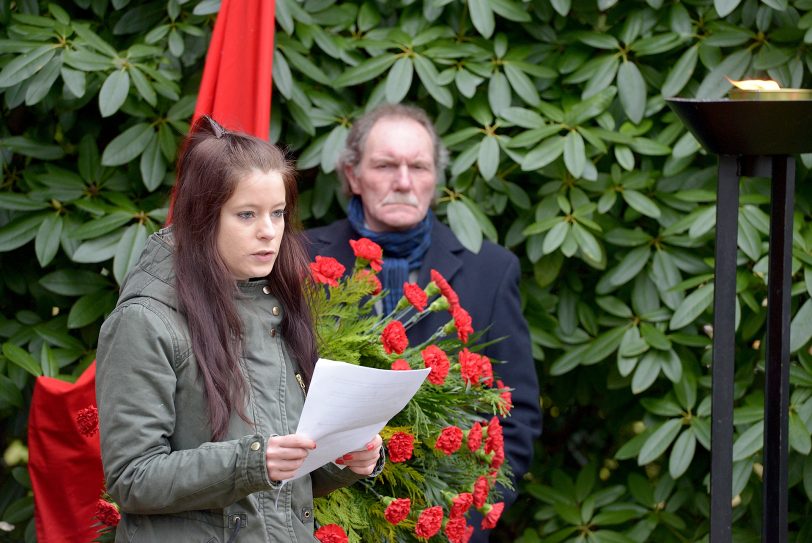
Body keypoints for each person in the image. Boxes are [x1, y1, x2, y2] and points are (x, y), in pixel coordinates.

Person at [96, 116, 383, 542]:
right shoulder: (145, 321)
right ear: (202, 218)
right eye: (246, 214)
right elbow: (132, 479)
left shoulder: (275, 308)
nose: (268, 232)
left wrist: (342, 459)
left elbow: (279, 488)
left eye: (278, 213)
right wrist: (253, 462)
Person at [306, 103, 542, 540]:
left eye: (418, 166)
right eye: (385, 165)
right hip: (320, 516)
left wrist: (461, 514)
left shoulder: (490, 270)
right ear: (353, 175)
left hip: (440, 523)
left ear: (435, 179)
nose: (403, 181)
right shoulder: (299, 259)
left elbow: (517, 413)